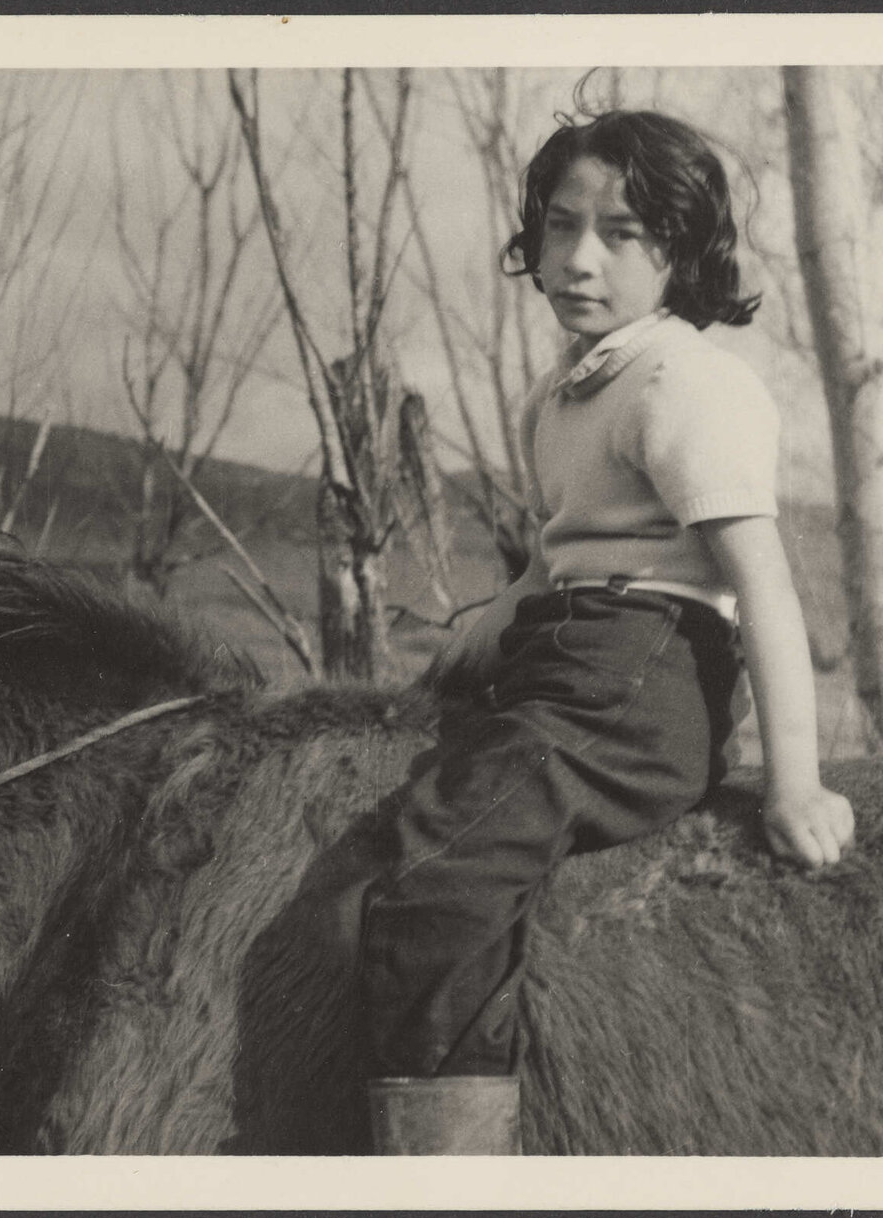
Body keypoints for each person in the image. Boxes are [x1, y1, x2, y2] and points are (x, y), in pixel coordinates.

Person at [361, 109, 856, 1155]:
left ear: (679, 254)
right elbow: (554, 558)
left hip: (641, 682)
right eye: (557, 227)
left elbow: (760, 583)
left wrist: (793, 780)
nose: (579, 258)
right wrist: (469, 641)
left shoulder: (682, 383)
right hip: (565, 652)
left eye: (622, 233)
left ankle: (445, 1165)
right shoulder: (563, 391)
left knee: (443, 855)